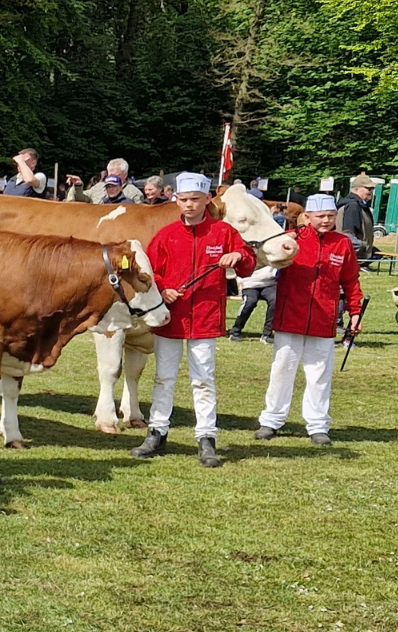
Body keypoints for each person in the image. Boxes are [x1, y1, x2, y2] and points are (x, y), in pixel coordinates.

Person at [131, 172, 259, 468]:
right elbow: (149, 273)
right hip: (171, 318)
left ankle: (206, 437)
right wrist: (164, 288)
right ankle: (157, 432)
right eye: (184, 199)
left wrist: (238, 257)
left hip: (205, 317)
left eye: (195, 199)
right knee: (164, 377)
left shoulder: (223, 232)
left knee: (203, 379)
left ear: (207, 200)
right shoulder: (166, 235)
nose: (189, 205)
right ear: (176, 200)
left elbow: (248, 262)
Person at [255, 194, 362, 445]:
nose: (326, 220)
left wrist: (355, 311)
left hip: (324, 318)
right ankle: (271, 420)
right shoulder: (291, 239)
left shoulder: (342, 244)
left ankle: (318, 424)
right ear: (307, 217)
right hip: (290, 315)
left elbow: (351, 280)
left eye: (331, 216)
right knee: (282, 370)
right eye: (321, 216)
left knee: (319, 373)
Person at [227, 255, 278, 344]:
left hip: (269, 283)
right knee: (250, 301)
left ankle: (267, 334)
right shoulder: (247, 250)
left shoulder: (273, 248)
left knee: (275, 300)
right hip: (249, 283)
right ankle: (235, 331)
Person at [65, 158, 140, 203]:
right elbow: (80, 199)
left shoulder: (134, 193)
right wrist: (78, 186)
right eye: (110, 175)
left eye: (117, 175)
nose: (113, 178)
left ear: (125, 175)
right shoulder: (98, 187)